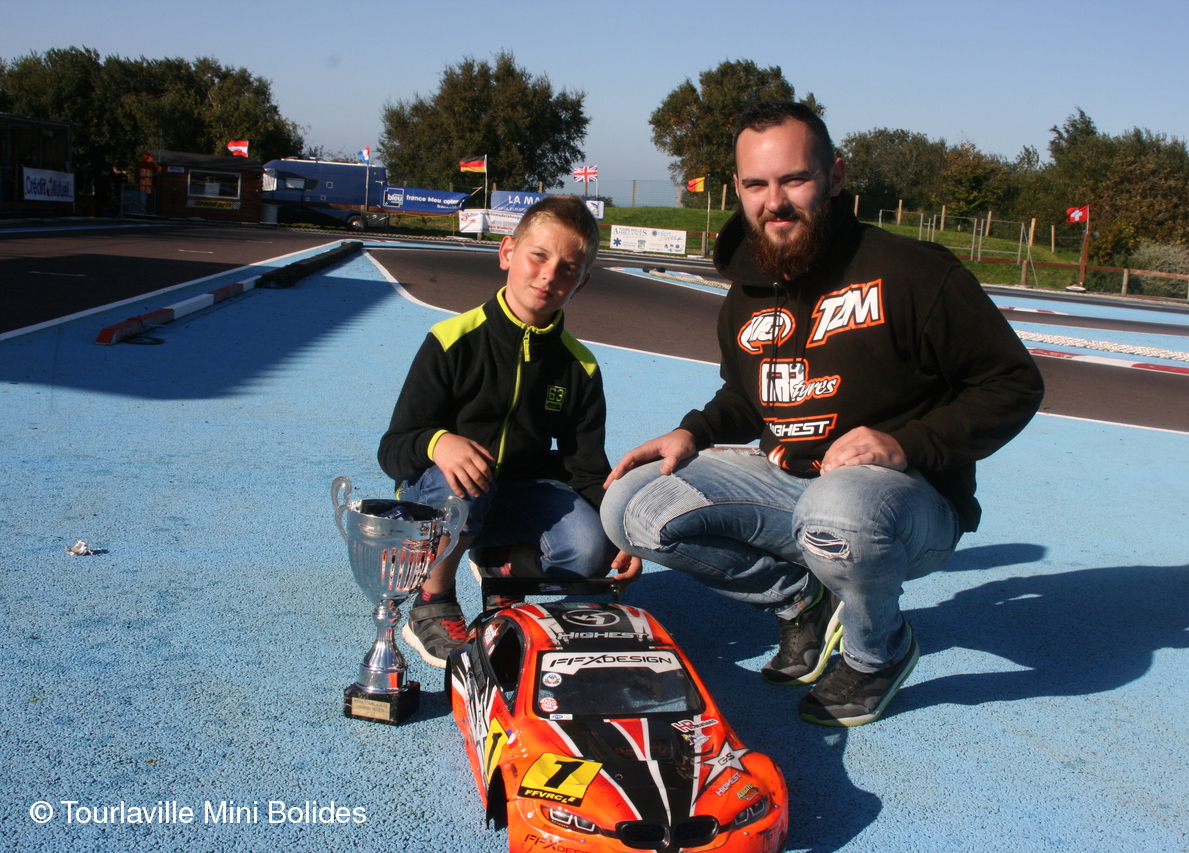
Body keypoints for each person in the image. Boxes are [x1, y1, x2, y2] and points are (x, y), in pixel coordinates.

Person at [600, 102, 1044, 727]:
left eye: (794, 179)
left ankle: (877, 653)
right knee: (631, 507)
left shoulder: (914, 272)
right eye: (756, 184)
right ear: (738, 190)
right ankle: (801, 603)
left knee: (835, 512)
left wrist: (906, 444)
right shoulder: (746, 291)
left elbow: (1013, 384)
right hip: (791, 486)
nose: (774, 202)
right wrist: (692, 432)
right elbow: (749, 396)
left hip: (901, 505)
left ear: (835, 177)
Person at [379, 195, 640, 667]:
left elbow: (586, 470)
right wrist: (438, 443)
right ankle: (432, 601)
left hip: (518, 496)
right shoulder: (451, 341)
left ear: (581, 283)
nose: (548, 275)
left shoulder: (579, 366)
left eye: (568, 268)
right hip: (442, 493)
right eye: (538, 256)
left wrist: (624, 534)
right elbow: (393, 449)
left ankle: (502, 566)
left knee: (592, 549)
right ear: (507, 253)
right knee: (465, 482)